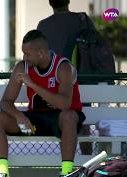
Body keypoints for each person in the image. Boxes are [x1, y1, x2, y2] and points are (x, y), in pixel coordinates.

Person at [0, 30, 85, 177]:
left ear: (40, 53)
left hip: (60, 122)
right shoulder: (22, 67)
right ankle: (3, 174)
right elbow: (5, 102)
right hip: (33, 124)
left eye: (27, 54)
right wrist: (19, 116)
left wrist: (32, 84)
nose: (24, 58)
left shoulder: (63, 67)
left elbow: (65, 104)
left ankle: (66, 174)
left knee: (69, 116)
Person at [37, 0, 95, 155]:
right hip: (81, 79)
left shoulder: (43, 25)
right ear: (68, 1)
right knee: (83, 125)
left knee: (62, 119)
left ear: (50, 2)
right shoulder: (82, 20)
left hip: (54, 84)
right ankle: (87, 160)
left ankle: (66, 164)